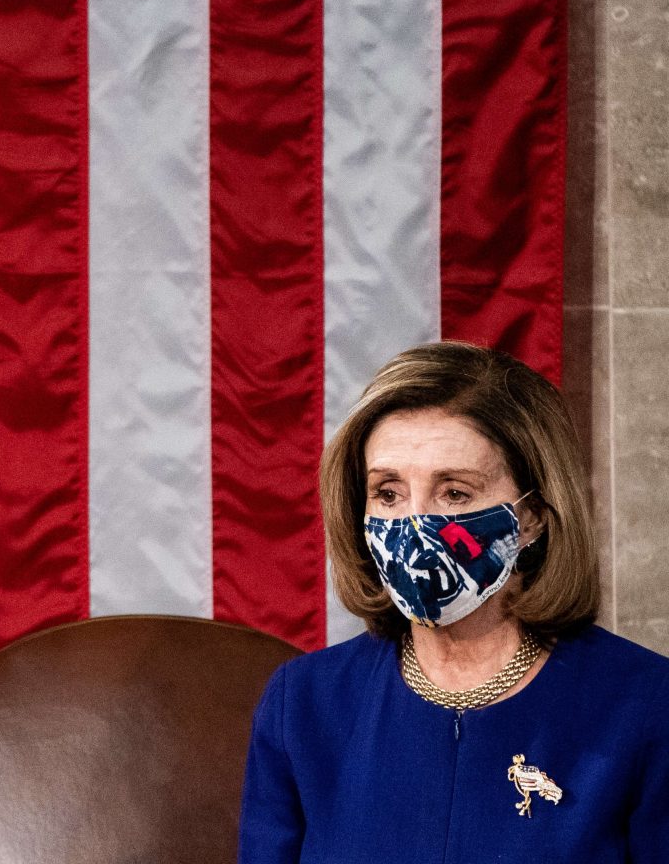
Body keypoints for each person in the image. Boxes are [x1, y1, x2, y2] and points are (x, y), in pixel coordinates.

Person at [239, 341, 669, 861]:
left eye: (455, 493)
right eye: (389, 493)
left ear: (530, 517)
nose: (415, 527)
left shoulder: (644, 704)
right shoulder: (304, 703)